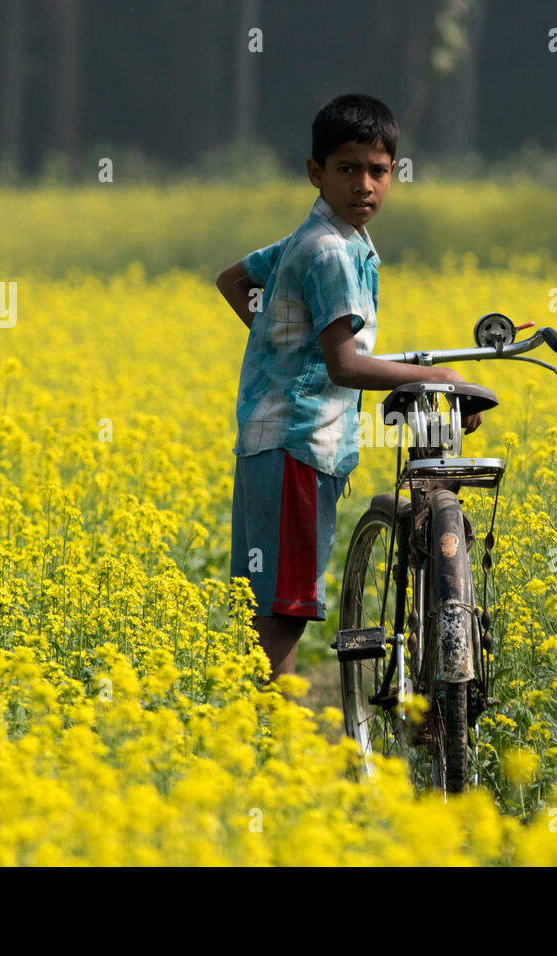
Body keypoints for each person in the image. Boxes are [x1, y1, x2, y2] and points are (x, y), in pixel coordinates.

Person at [215, 92, 482, 683]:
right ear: (316, 173)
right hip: (296, 442)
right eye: (347, 169)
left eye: (378, 170)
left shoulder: (324, 239)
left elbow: (235, 280)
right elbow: (343, 365)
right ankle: (276, 738)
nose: (364, 184)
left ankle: (266, 731)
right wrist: (435, 376)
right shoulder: (331, 252)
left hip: (287, 442)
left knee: (279, 599)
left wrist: (281, 343)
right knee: (283, 608)